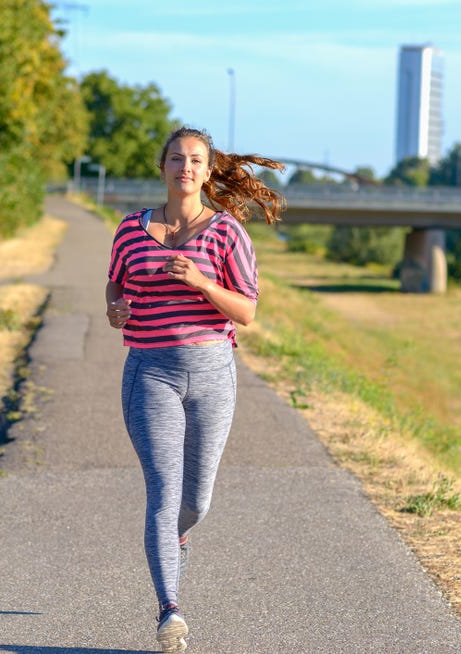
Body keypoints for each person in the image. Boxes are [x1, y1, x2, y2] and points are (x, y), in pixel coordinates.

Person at [105, 126, 285, 652]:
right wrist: (114, 308)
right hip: (150, 372)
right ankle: (169, 611)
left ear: (207, 172)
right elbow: (116, 281)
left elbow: (247, 312)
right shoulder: (129, 230)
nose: (185, 167)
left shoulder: (227, 233)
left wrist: (203, 283)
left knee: (196, 501)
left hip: (211, 375)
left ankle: (179, 539)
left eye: (196, 160)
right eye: (177, 158)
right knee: (163, 494)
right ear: (162, 168)